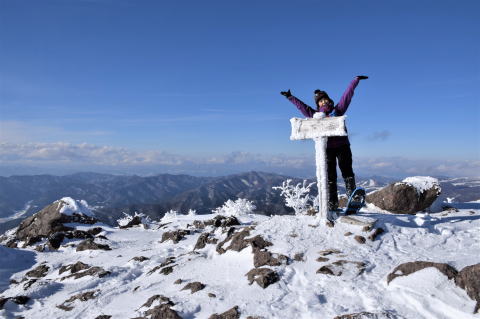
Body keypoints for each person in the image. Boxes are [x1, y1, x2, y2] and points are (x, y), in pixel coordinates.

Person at [280, 75, 368, 212]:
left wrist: (354, 81)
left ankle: (352, 196)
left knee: (347, 170)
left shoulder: (337, 111)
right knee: (330, 175)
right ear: (318, 104)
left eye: (325, 99)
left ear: (330, 101)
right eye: (320, 101)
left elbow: (347, 96)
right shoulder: (315, 115)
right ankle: (332, 203)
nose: (323, 102)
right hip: (326, 149)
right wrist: (291, 98)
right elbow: (303, 108)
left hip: (342, 145)